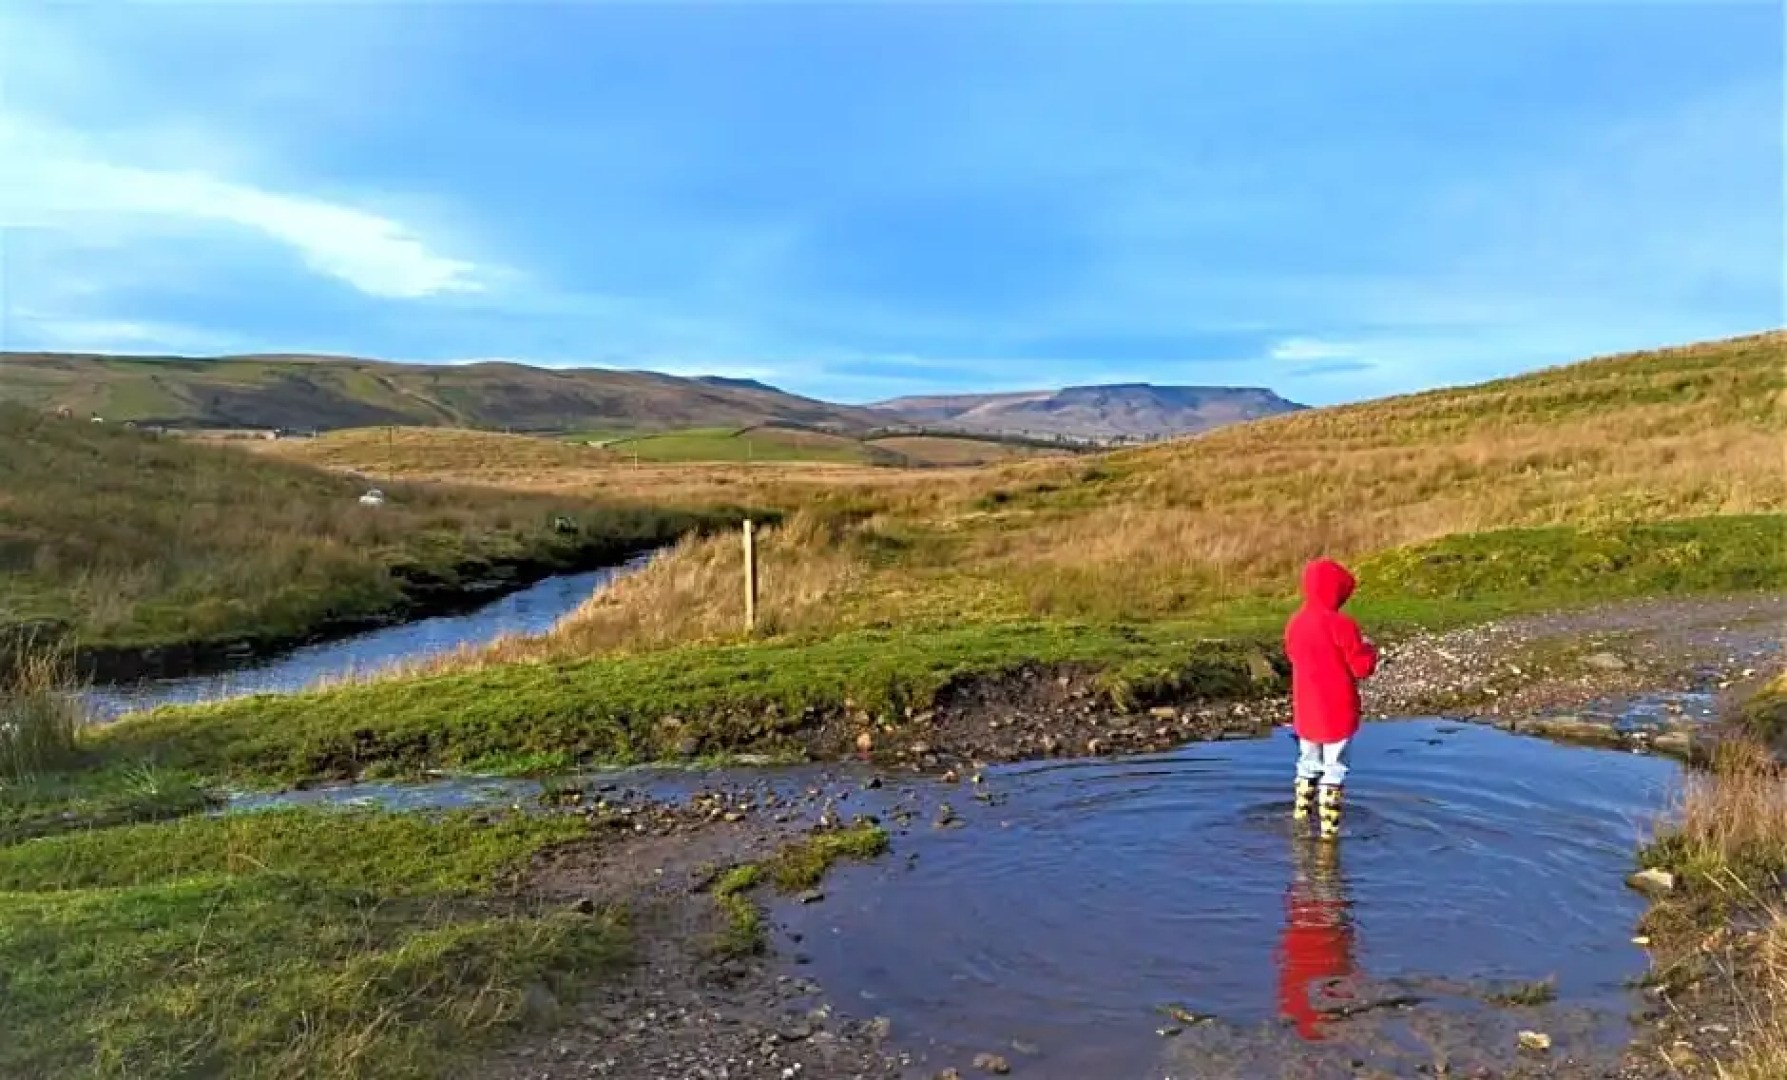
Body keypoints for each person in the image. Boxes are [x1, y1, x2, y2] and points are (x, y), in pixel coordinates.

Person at [1284, 558, 1378, 838]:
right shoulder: (1342, 625)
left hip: (1306, 708)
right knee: (1334, 767)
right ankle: (1329, 834)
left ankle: (1301, 817)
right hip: (1337, 709)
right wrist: (1370, 651)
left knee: (1307, 761)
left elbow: (1293, 656)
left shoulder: (1295, 624)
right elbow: (1361, 668)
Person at [1274, 840, 1356, 1040]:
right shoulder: (1293, 1005)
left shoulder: (1292, 1005)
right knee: (1314, 881)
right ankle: (1322, 849)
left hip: (1311, 939)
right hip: (1316, 940)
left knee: (1312, 882)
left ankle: (1315, 848)